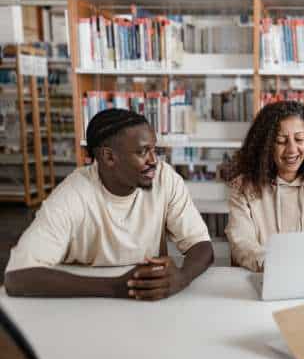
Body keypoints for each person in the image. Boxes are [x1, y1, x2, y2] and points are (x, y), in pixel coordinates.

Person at [4, 109, 214, 300]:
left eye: (154, 150)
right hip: (84, 308)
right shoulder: (73, 193)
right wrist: (115, 287)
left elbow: (201, 245)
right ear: (109, 157)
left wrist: (183, 276)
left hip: (149, 306)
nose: (154, 160)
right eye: (142, 152)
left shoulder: (165, 179)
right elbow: (17, 277)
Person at [225, 101, 304, 272]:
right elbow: (241, 241)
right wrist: (272, 265)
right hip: (266, 277)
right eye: (281, 141)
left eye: (299, 139)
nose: (292, 149)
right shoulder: (243, 187)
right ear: (265, 146)